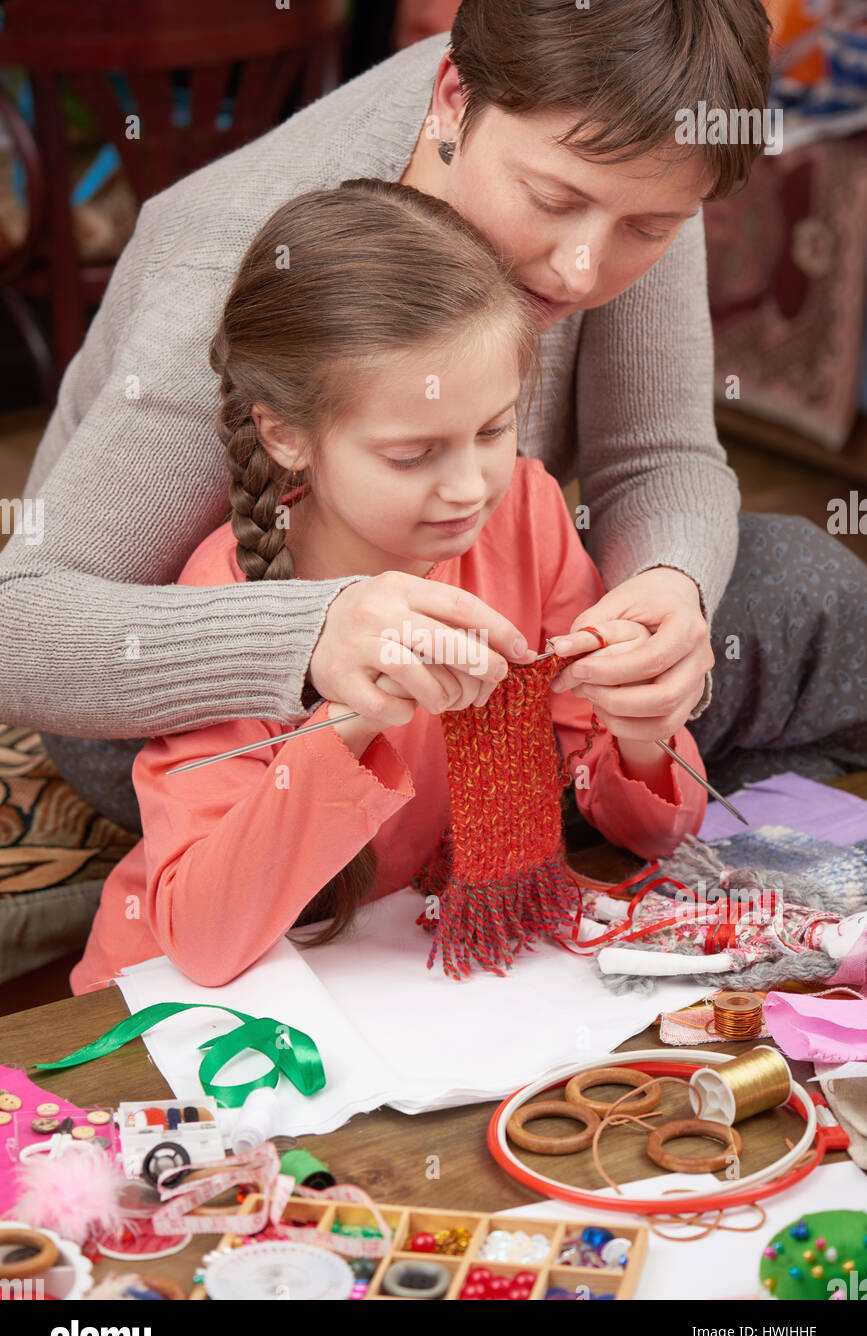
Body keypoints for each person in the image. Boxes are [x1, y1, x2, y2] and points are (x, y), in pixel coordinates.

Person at [1, 1, 863, 835]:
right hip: (211, 712)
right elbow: (20, 629)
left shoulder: (638, 142)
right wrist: (314, 636)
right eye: (552, 201)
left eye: (647, 228)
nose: (577, 269)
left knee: (804, 589)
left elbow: (658, 456)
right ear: (454, 97)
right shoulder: (239, 267)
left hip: (480, 638)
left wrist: (670, 594)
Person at [70, 181, 707, 994]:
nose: (468, 487)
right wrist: (349, 719)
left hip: (396, 971)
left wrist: (642, 728)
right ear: (286, 435)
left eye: (492, 430)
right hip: (175, 1009)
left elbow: (659, 832)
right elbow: (202, 937)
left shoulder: (528, 516)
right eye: (411, 456)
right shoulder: (228, 600)